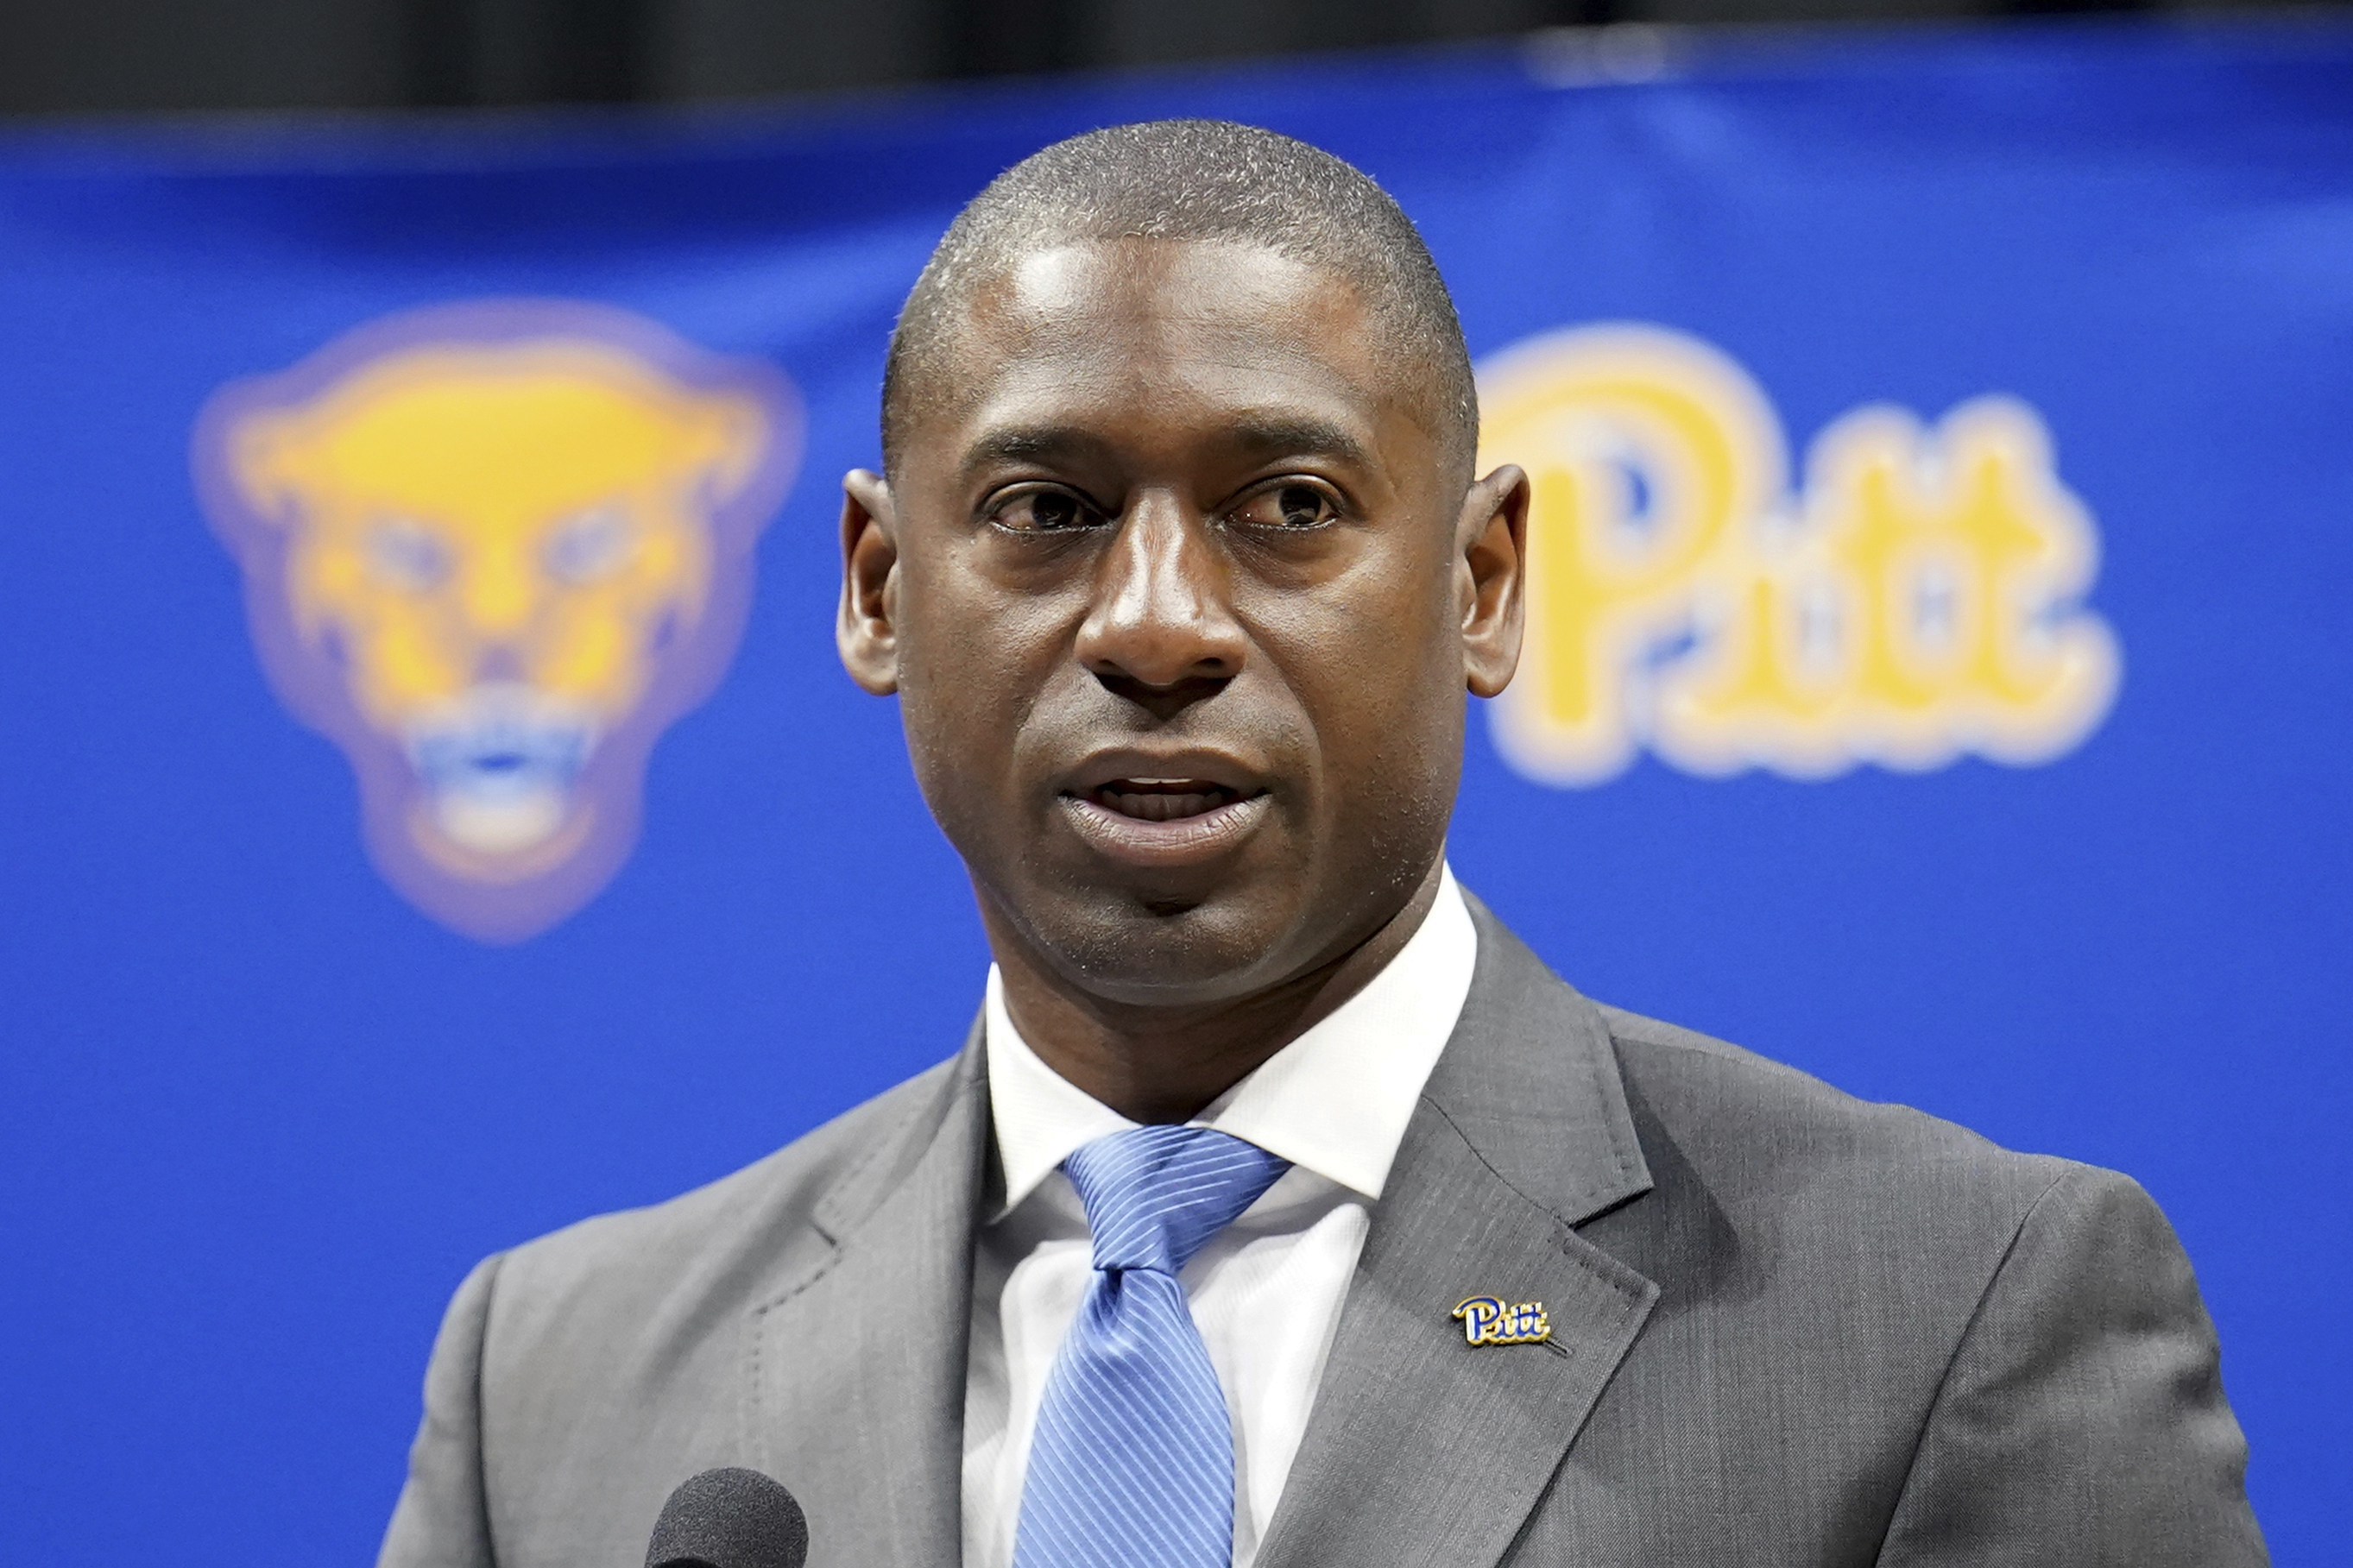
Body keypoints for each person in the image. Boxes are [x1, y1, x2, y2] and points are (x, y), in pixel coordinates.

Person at [377, 120, 2266, 1568]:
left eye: (1285, 506)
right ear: (880, 588)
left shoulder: (1951, 1310)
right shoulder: (557, 1381)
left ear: (1480, 580)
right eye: (1046, 509)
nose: (1156, 625)